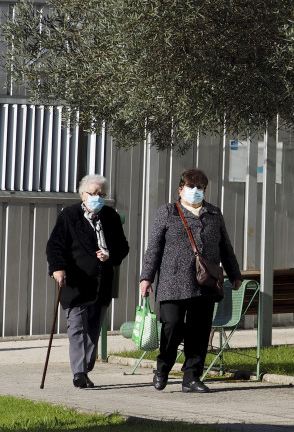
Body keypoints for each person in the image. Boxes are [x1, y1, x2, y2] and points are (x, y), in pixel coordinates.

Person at [140, 168, 243, 393]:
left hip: (205, 282)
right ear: (181, 189)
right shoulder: (168, 212)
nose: (196, 191)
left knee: (199, 330)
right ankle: (163, 368)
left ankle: (192, 377)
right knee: (172, 326)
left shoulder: (214, 214)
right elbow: (154, 248)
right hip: (172, 281)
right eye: (191, 187)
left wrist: (235, 274)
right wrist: (146, 277)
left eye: (200, 188)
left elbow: (225, 247)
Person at [46, 174, 130, 389]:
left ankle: (84, 366)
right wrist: (57, 268)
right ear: (82, 194)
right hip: (76, 282)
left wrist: (109, 254)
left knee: (92, 329)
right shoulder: (69, 216)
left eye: (101, 194)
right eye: (92, 193)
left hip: (101, 283)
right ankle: (79, 373)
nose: (97, 197)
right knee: (76, 327)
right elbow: (55, 246)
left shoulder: (110, 216)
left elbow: (123, 247)